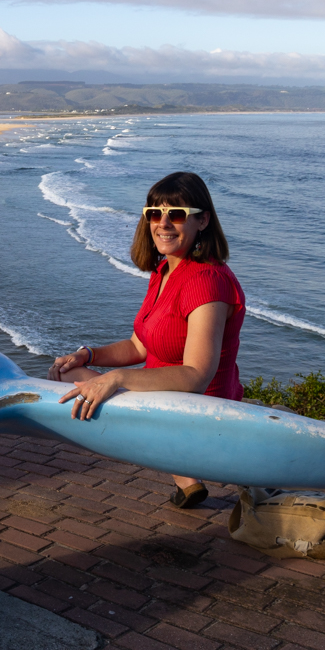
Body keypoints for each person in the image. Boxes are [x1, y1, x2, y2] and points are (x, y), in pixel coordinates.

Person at [48, 172, 245, 509]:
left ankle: (182, 468)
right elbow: (139, 346)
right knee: (66, 373)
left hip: (197, 412)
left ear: (203, 220)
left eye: (177, 214)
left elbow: (197, 375)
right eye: (155, 213)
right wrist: (87, 355)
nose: (163, 224)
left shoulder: (207, 282)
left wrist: (117, 379)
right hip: (159, 400)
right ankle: (183, 476)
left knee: (84, 394)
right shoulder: (164, 271)